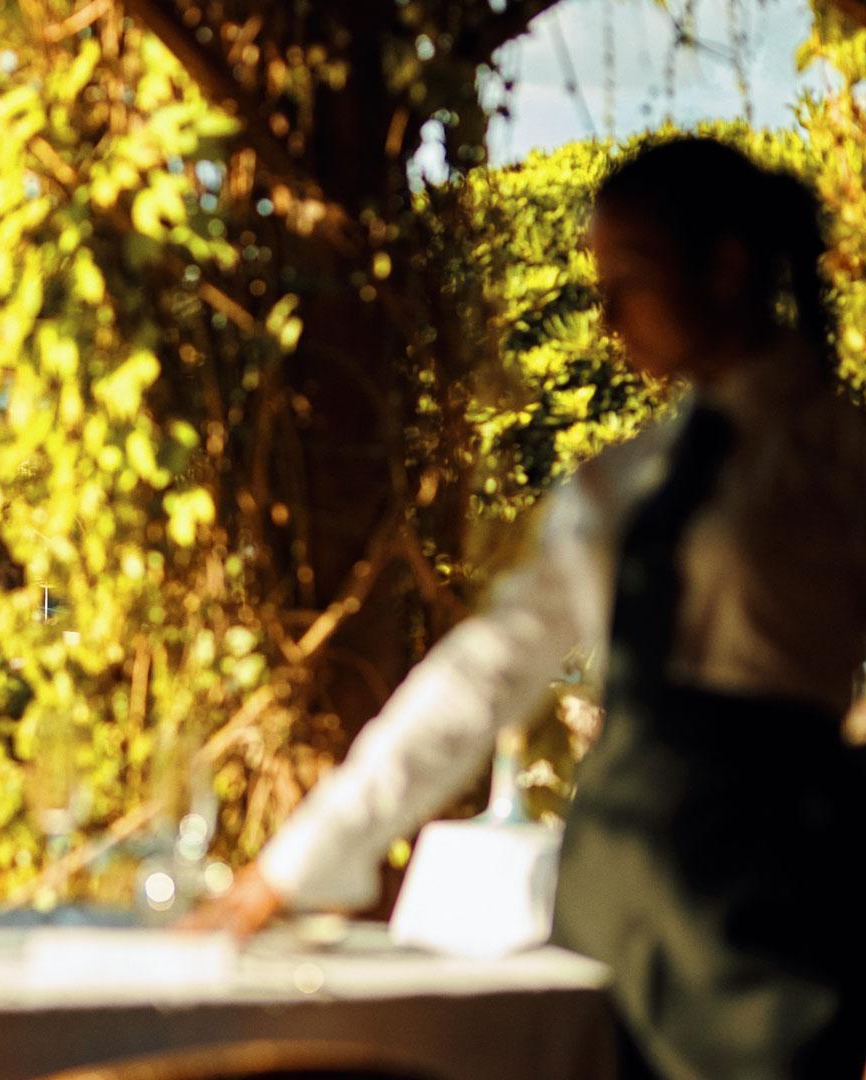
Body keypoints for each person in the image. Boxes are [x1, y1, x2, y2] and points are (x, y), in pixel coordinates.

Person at [191, 137, 866, 1077]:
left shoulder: (838, 462)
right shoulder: (618, 487)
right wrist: (298, 863)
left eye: (628, 278)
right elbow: (483, 674)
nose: (606, 315)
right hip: (611, 898)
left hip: (776, 896)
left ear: (726, 269)